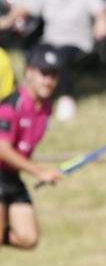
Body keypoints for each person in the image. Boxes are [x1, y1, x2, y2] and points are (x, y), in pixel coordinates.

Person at [0, 0, 106, 120]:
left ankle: (66, 98)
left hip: (76, 43)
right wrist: (7, 21)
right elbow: (24, 7)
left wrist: (102, 23)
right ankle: (27, 98)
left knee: (59, 58)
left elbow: (101, 12)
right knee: (34, 55)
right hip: (50, 41)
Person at [0, 45, 62, 251]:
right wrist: (40, 172)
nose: (48, 81)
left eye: (53, 75)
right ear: (29, 72)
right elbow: (2, 149)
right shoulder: (10, 106)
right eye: (44, 74)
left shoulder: (46, 109)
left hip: (11, 176)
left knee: (28, 238)